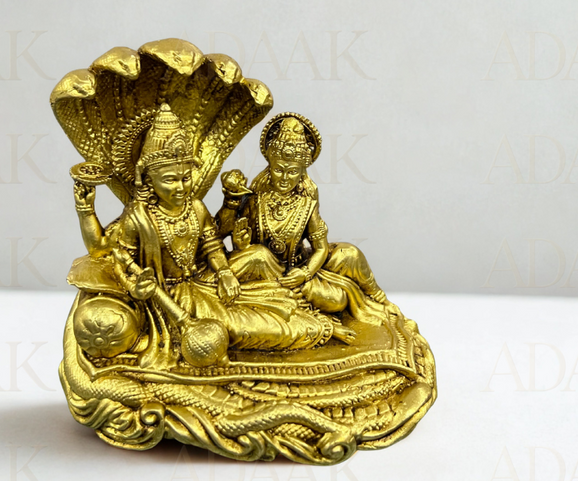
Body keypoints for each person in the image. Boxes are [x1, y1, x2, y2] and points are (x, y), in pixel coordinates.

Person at [69, 105, 348, 368]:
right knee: (248, 328)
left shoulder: (195, 207)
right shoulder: (139, 216)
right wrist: (87, 212)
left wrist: (225, 272)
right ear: (148, 179)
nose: (181, 188)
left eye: (185, 178)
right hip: (173, 295)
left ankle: (311, 308)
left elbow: (212, 246)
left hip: (207, 278)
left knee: (263, 267)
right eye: (169, 180)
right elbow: (109, 253)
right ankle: (317, 328)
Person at [217, 113, 394, 323]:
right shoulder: (256, 198)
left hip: (299, 269)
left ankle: (378, 299)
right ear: (269, 167)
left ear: (302, 172)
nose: (284, 178)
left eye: (292, 172)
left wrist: (305, 273)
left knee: (349, 257)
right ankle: (278, 297)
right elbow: (220, 233)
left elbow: (320, 249)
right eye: (278, 170)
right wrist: (239, 239)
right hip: (265, 268)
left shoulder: (306, 204)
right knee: (259, 256)